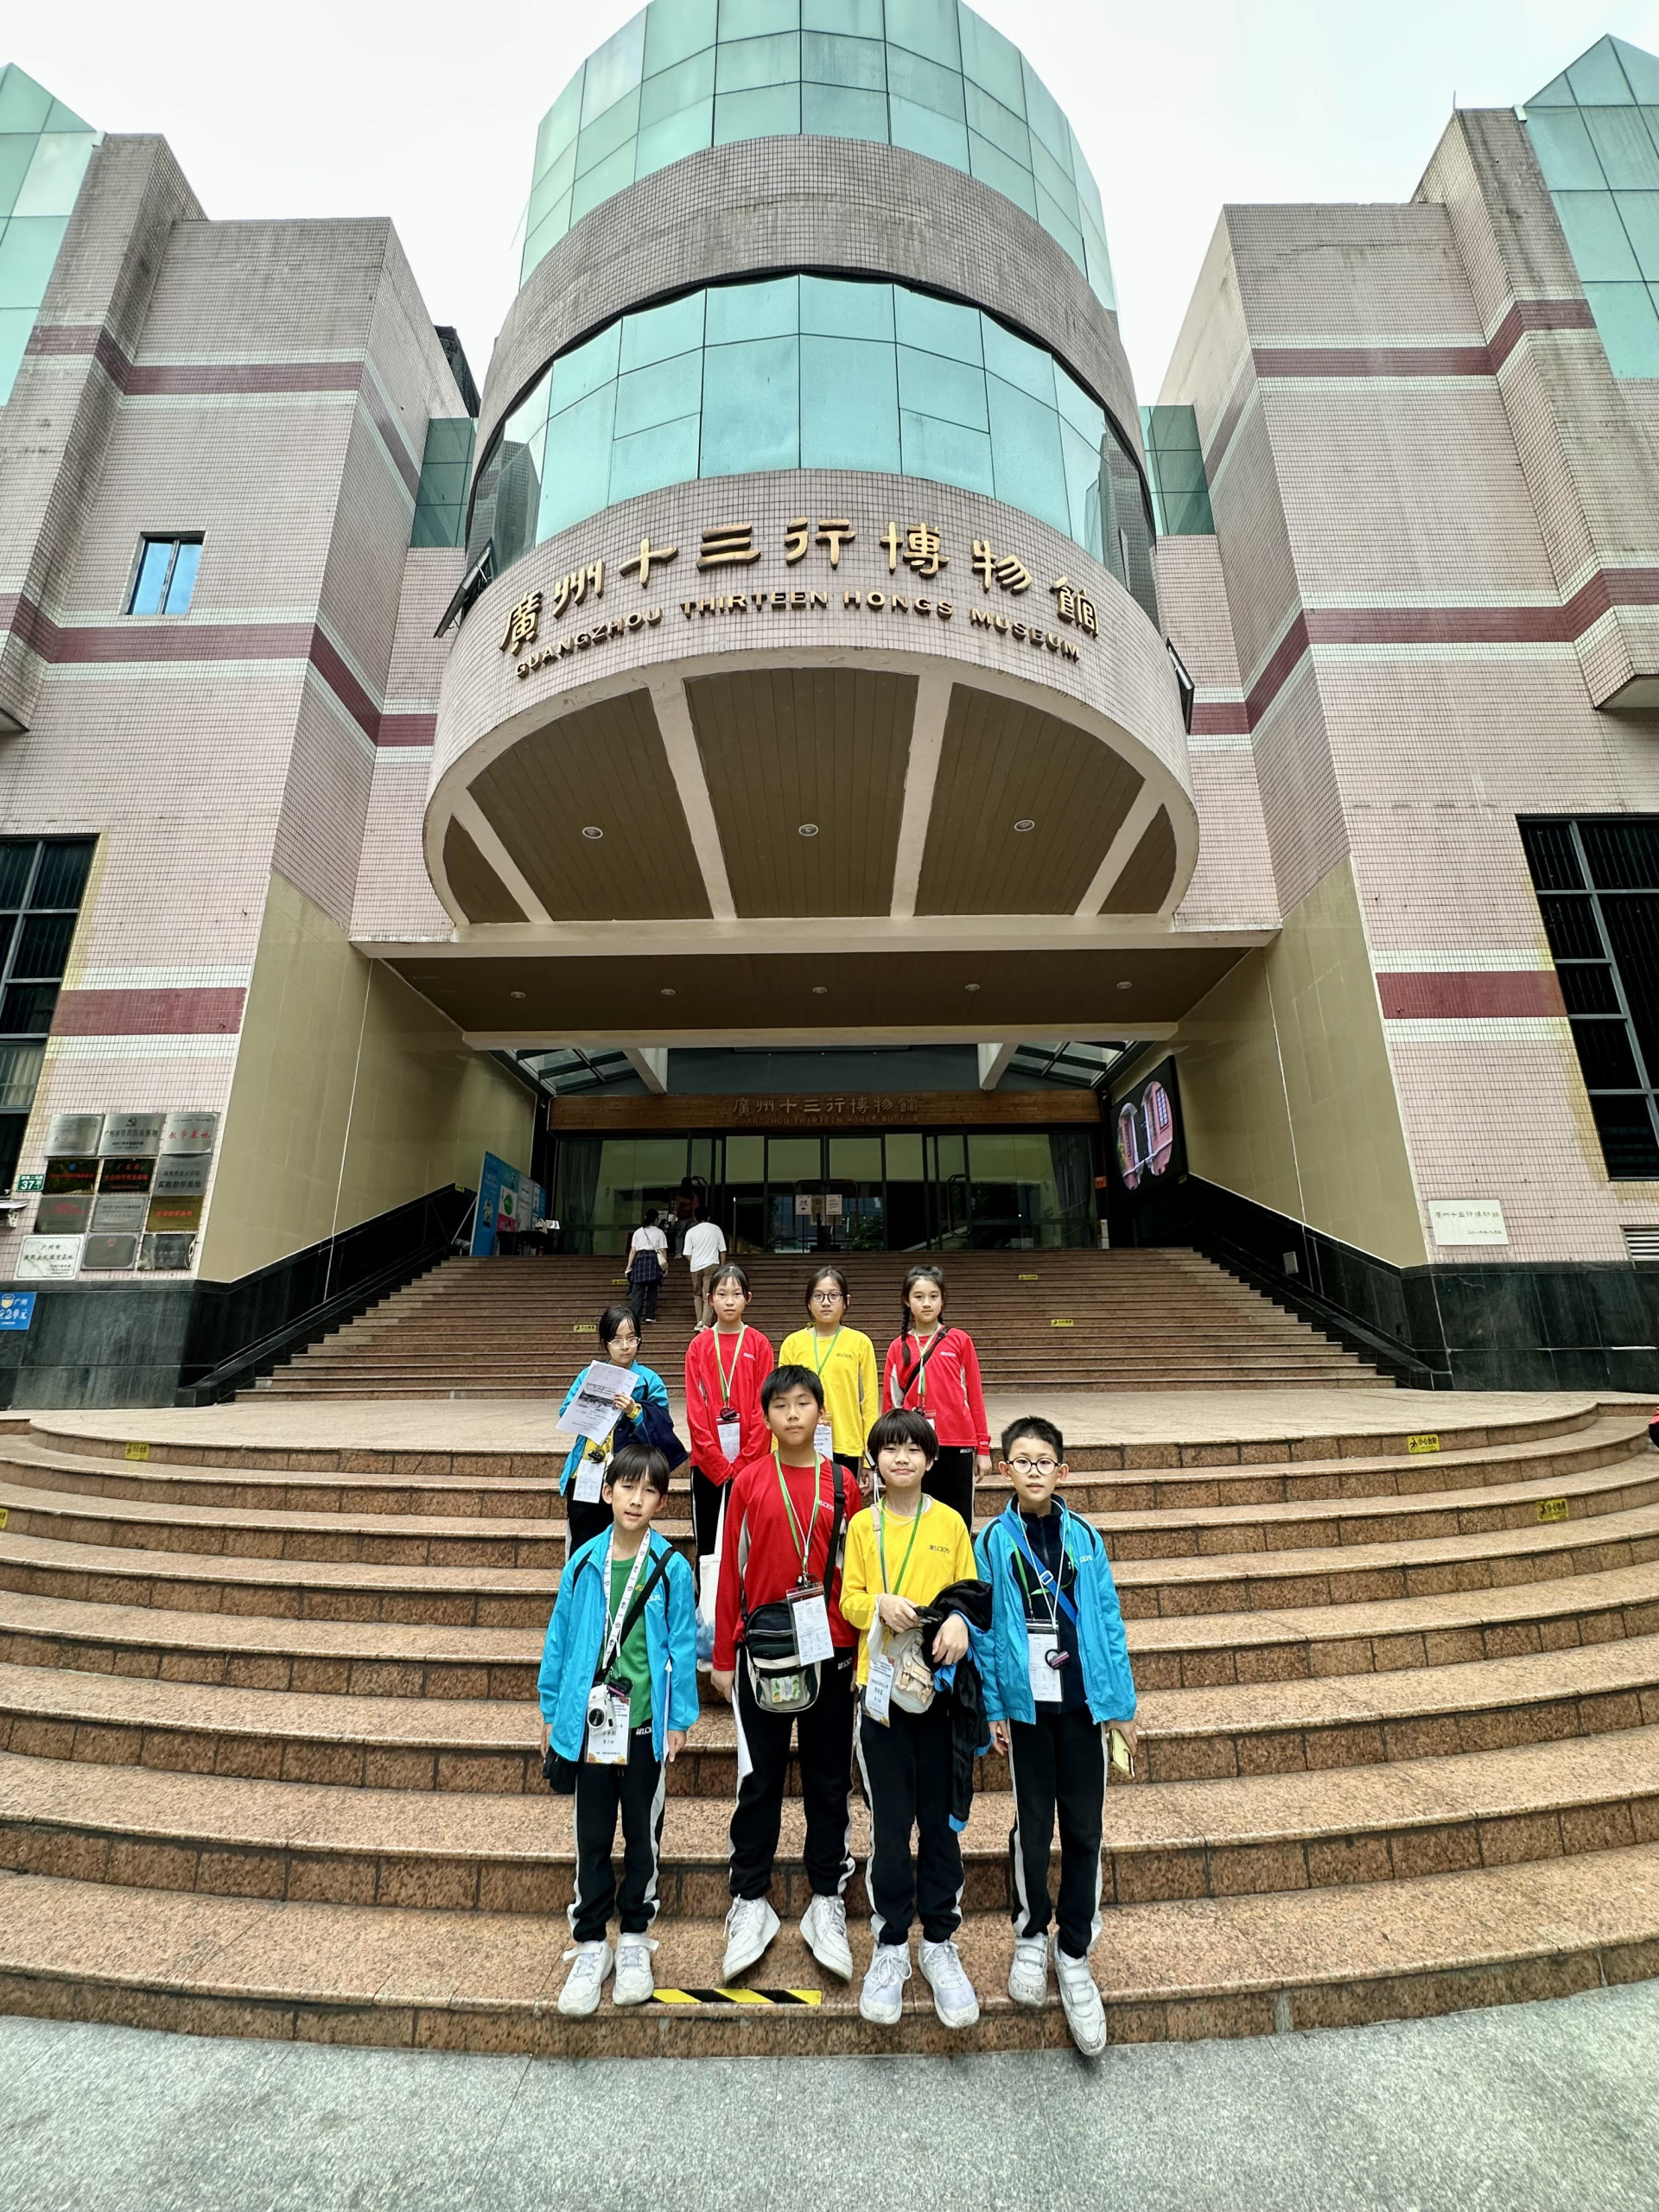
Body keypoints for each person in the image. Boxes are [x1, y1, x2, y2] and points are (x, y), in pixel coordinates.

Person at [972, 1415, 1141, 2058]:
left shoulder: (1087, 1539)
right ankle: (1029, 1933)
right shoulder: (994, 1541)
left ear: (1062, 1471)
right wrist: (994, 1705)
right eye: (1023, 1460)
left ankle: (1074, 1950)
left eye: (1045, 1461)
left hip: (1083, 1708)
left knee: (1086, 1828)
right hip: (1027, 1710)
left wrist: (1121, 1705)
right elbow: (987, 1630)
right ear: (1005, 1470)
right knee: (1033, 1825)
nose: (1035, 1470)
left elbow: (1108, 1620)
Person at [539, 1441, 699, 2015]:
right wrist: (551, 1710)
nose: (636, 1499)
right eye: (627, 1487)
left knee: (641, 1832)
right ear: (606, 1492)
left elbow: (682, 1646)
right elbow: (560, 1639)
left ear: (662, 1502)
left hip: (645, 1726)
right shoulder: (584, 1561)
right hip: (589, 1725)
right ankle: (590, 1944)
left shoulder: (671, 1567)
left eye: (649, 1490)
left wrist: (679, 1719)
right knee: (591, 1834)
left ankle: (634, 1937)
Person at [711, 1364, 857, 1986]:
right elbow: (730, 1569)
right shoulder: (747, 1481)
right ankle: (751, 1899)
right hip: (762, 1651)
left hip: (832, 1651)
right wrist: (723, 1656)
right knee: (759, 1778)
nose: (793, 1414)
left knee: (828, 1779)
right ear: (765, 1416)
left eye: (803, 1403)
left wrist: (861, 1654)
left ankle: (827, 1896)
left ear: (821, 1413)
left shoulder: (843, 1483)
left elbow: (856, 1568)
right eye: (781, 1405)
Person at [838, 1408, 981, 2030]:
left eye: (913, 1449)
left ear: (931, 1460)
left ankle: (939, 1942)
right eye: (890, 1449)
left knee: (941, 1824)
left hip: (939, 1695)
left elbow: (971, 1593)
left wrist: (960, 1621)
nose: (901, 1458)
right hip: (881, 1697)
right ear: (874, 1460)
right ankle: (892, 1942)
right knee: (891, 1825)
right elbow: (847, 1599)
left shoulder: (949, 1521)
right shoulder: (861, 1525)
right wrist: (878, 1603)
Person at [556, 1306, 672, 1558]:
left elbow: (662, 1427)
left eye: (632, 1338)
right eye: (617, 1340)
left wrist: (634, 1410)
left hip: (629, 1473)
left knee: (624, 1542)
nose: (625, 1346)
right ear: (605, 1342)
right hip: (587, 1471)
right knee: (583, 1544)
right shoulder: (589, 1375)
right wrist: (589, 1404)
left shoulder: (649, 1380)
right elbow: (565, 1413)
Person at [880, 1265, 990, 1528]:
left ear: (943, 1299)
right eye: (918, 1297)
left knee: (958, 1519)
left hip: (957, 1442)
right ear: (907, 1301)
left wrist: (983, 1449)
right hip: (914, 1444)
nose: (927, 1303)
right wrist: (886, 1448)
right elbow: (891, 1403)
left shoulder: (960, 1340)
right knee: (917, 1517)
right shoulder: (898, 1346)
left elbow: (975, 1397)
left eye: (933, 1296)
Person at [683, 1263, 773, 1573]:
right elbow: (695, 1410)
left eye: (736, 1294)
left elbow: (764, 1409)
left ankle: (746, 1600)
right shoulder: (699, 1346)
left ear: (748, 1298)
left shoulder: (759, 1344)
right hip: (707, 1464)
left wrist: (746, 1460)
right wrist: (717, 1462)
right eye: (722, 1294)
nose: (730, 1301)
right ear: (710, 1299)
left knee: (749, 1541)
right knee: (708, 1544)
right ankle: (707, 1601)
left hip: (751, 1463)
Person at [778, 1266, 880, 1494]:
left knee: (841, 1510)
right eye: (818, 1296)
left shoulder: (860, 1343)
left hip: (847, 1444)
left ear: (846, 1302)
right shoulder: (792, 1344)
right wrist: (777, 1449)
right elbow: (780, 1402)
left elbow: (870, 1404)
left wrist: (869, 1459)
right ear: (808, 1302)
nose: (826, 1302)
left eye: (833, 1296)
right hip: (800, 1442)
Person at [683, 1210, 728, 1331]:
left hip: (695, 1266)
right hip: (712, 1265)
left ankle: (700, 1321)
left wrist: (694, 1262)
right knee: (708, 1294)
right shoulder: (716, 1229)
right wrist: (721, 1267)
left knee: (697, 1294)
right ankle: (705, 1323)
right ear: (708, 1217)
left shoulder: (691, 1232)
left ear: (695, 1219)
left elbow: (687, 1253)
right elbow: (722, 1251)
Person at [625, 1210, 667, 1328]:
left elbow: (633, 1250)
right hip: (654, 1261)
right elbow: (663, 1250)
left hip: (640, 1261)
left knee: (637, 1291)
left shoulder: (638, 1232)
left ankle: (636, 1317)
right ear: (656, 1220)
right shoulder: (659, 1232)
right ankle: (650, 1315)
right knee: (652, 1290)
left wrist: (629, 1266)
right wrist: (664, 1266)